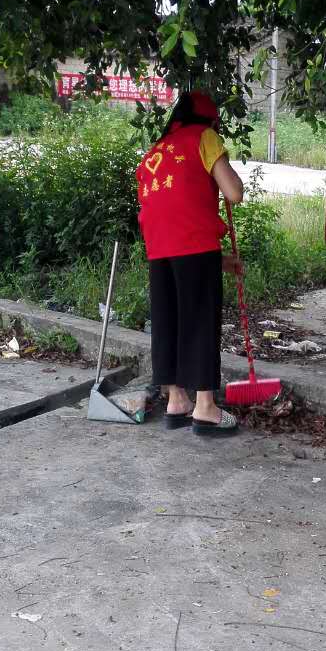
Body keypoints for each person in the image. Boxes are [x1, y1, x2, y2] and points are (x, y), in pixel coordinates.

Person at [136, 90, 245, 435]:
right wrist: (224, 168)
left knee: (168, 320)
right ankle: (205, 408)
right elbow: (234, 193)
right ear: (210, 120)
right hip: (193, 244)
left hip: (158, 247)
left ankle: (176, 401)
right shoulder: (205, 137)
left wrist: (220, 261)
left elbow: (175, 212)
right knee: (199, 320)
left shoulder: (157, 149)